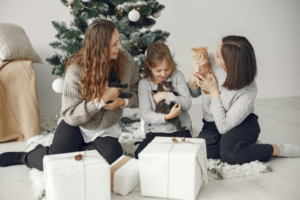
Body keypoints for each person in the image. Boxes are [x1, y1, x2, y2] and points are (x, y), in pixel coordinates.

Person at [0, 19, 141, 171]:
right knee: (54, 160)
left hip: (105, 130)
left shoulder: (125, 60)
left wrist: (122, 102)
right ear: (100, 47)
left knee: (113, 156)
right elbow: (70, 115)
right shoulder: (76, 70)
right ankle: (23, 157)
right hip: (77, 126)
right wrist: (100, 100)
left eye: (118, 41)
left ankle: (77, 149)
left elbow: (138, 92)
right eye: (114, 44)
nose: (119, 47)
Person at [188, 35, 300, 165]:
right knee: (204, 150)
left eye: (218, 54)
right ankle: (242, 146)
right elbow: (194, 93)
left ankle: (276, 148)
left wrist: (214, 91)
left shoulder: (248, 90)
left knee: (229, 154)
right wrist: (193, 77)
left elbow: (224, 127)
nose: (213, 54)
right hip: (212, 123)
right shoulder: (210, 61)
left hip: (241, 123)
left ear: (231, 63)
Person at [135, 42, 192, 159]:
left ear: (171, 64)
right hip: (156, 131)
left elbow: (187, 104)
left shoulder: (177, 76)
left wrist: (167, 95)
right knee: (141, 156)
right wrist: (166, 117)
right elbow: (146, 114)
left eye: (167, 69)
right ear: (149, 66)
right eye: (158, 70)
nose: (163, 74)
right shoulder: (144, 84)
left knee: (184, 156)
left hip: (180, 129)